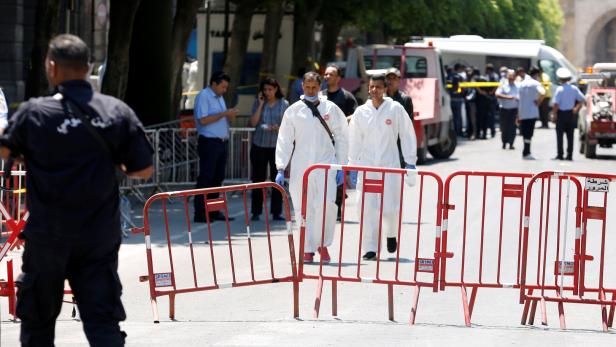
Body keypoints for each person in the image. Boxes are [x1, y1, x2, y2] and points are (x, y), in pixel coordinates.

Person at [0, 34, 153, 346]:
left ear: (52, 67)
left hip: (47, 236)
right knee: (102, 324)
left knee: (38, 326)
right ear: (88, 67)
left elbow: (5, 151)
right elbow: (144, 168)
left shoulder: (35, 112)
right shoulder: (116, 111)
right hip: (98, 236)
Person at [275, 71, 349, 264]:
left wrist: (341, 165)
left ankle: (322, 244)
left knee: (326, 205)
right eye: (307, 87)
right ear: (302, 87)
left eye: (314, 87)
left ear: (320, 87)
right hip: (301, 167)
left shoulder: (330, 108)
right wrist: (281, 167)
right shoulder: (293, 111)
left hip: (326, 165)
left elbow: (341, 136)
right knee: (302, 208)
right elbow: (285, 139)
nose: (310, 90)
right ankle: (307, 248)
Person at [348, 74, 417, 261]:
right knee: (366, 207)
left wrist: (410, 160)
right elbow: (354, 139)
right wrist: (352, 165)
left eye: (378, 87)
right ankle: (370, 247)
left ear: (385, 88)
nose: (374, 90)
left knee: (390, 208)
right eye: (371, 87)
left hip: (390, 165)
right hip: (368, 166)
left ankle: (391, 234)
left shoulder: (395, 109)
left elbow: (407, 134)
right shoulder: (361, 112)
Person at [193, 71, 239, 223]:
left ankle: (213, 211)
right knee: (206, 178)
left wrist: (227, 115)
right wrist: (224, 114)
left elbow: (221, 117)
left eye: (226, 87)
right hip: (209, 142)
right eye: (223, 87)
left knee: (218, 178)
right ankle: (200, 213)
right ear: (214, 84)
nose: (224, 90)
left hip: (221, 142)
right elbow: (203, 120)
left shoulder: (219, 98)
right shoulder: (204, 96)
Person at [321, 64, 357, 220]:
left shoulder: (347, 96)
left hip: (341, 142)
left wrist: (340, 122)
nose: (328, 77)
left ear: (338, 78)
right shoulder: (320, 96)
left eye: (331, 74)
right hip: (322, 143)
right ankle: (323, 208)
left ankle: (337, 208)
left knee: (338, 174)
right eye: (326, 74)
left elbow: (355, 115)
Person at [249, 77, 288, 221]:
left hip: (276, 147)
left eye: (270, 89)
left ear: (276, 89)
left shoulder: (284, 104)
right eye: (265, 90)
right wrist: (260, 104)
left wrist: (278, 128)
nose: (267, 92)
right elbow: (253, 123)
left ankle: (277, 212)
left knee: (276, 180)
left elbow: (287, 125)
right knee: (257, 179)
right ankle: (256, 211)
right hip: (259, 145)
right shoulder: (259, 102)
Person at [551, 67, 585, 160]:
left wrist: (554, 115)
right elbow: (582, 99)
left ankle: (560, 154)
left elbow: (556, 104)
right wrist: (576, 108)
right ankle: (569, 155)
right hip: (570, 114)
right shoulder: (574, 88)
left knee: (560, 135)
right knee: (570, 135)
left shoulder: (559, 89)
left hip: (561, 114)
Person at [385, 67, 415, 165]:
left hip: (399, 144)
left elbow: (409, 125)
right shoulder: (380, 98)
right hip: (383, 142)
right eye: (388, 78)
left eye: (394, 78)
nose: (391, 81)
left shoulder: (405, 99)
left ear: (399, 80)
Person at [517, 67, 546, 160]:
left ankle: (526, 151)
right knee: (529, 133)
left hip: (522, 112)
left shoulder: (521, 84)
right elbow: (543, 92)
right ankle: (526, 152)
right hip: (532, 112)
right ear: (537, 74)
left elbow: (518, 98)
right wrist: (538, 102)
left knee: (525, 133)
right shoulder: (536, 83)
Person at [495, 69, 519, 150]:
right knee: (504, 127)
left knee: (513, 128)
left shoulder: (518, 86)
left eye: (513, 76)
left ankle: (511, 143)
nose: (511, 78)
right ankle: (504, 143)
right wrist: (509, 97)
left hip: (514, 110)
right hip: (504, 110)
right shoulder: (503, 85)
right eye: (510, 76)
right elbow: (497, 94)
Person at [449, 63, 466, 137]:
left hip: (450, 99)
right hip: (458, 99)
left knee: (452, 117)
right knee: (458, 116)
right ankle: (458, 132)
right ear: (458, 69)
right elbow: (463, 89)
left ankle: (453, 132)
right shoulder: (460, 77)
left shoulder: (449, 76)